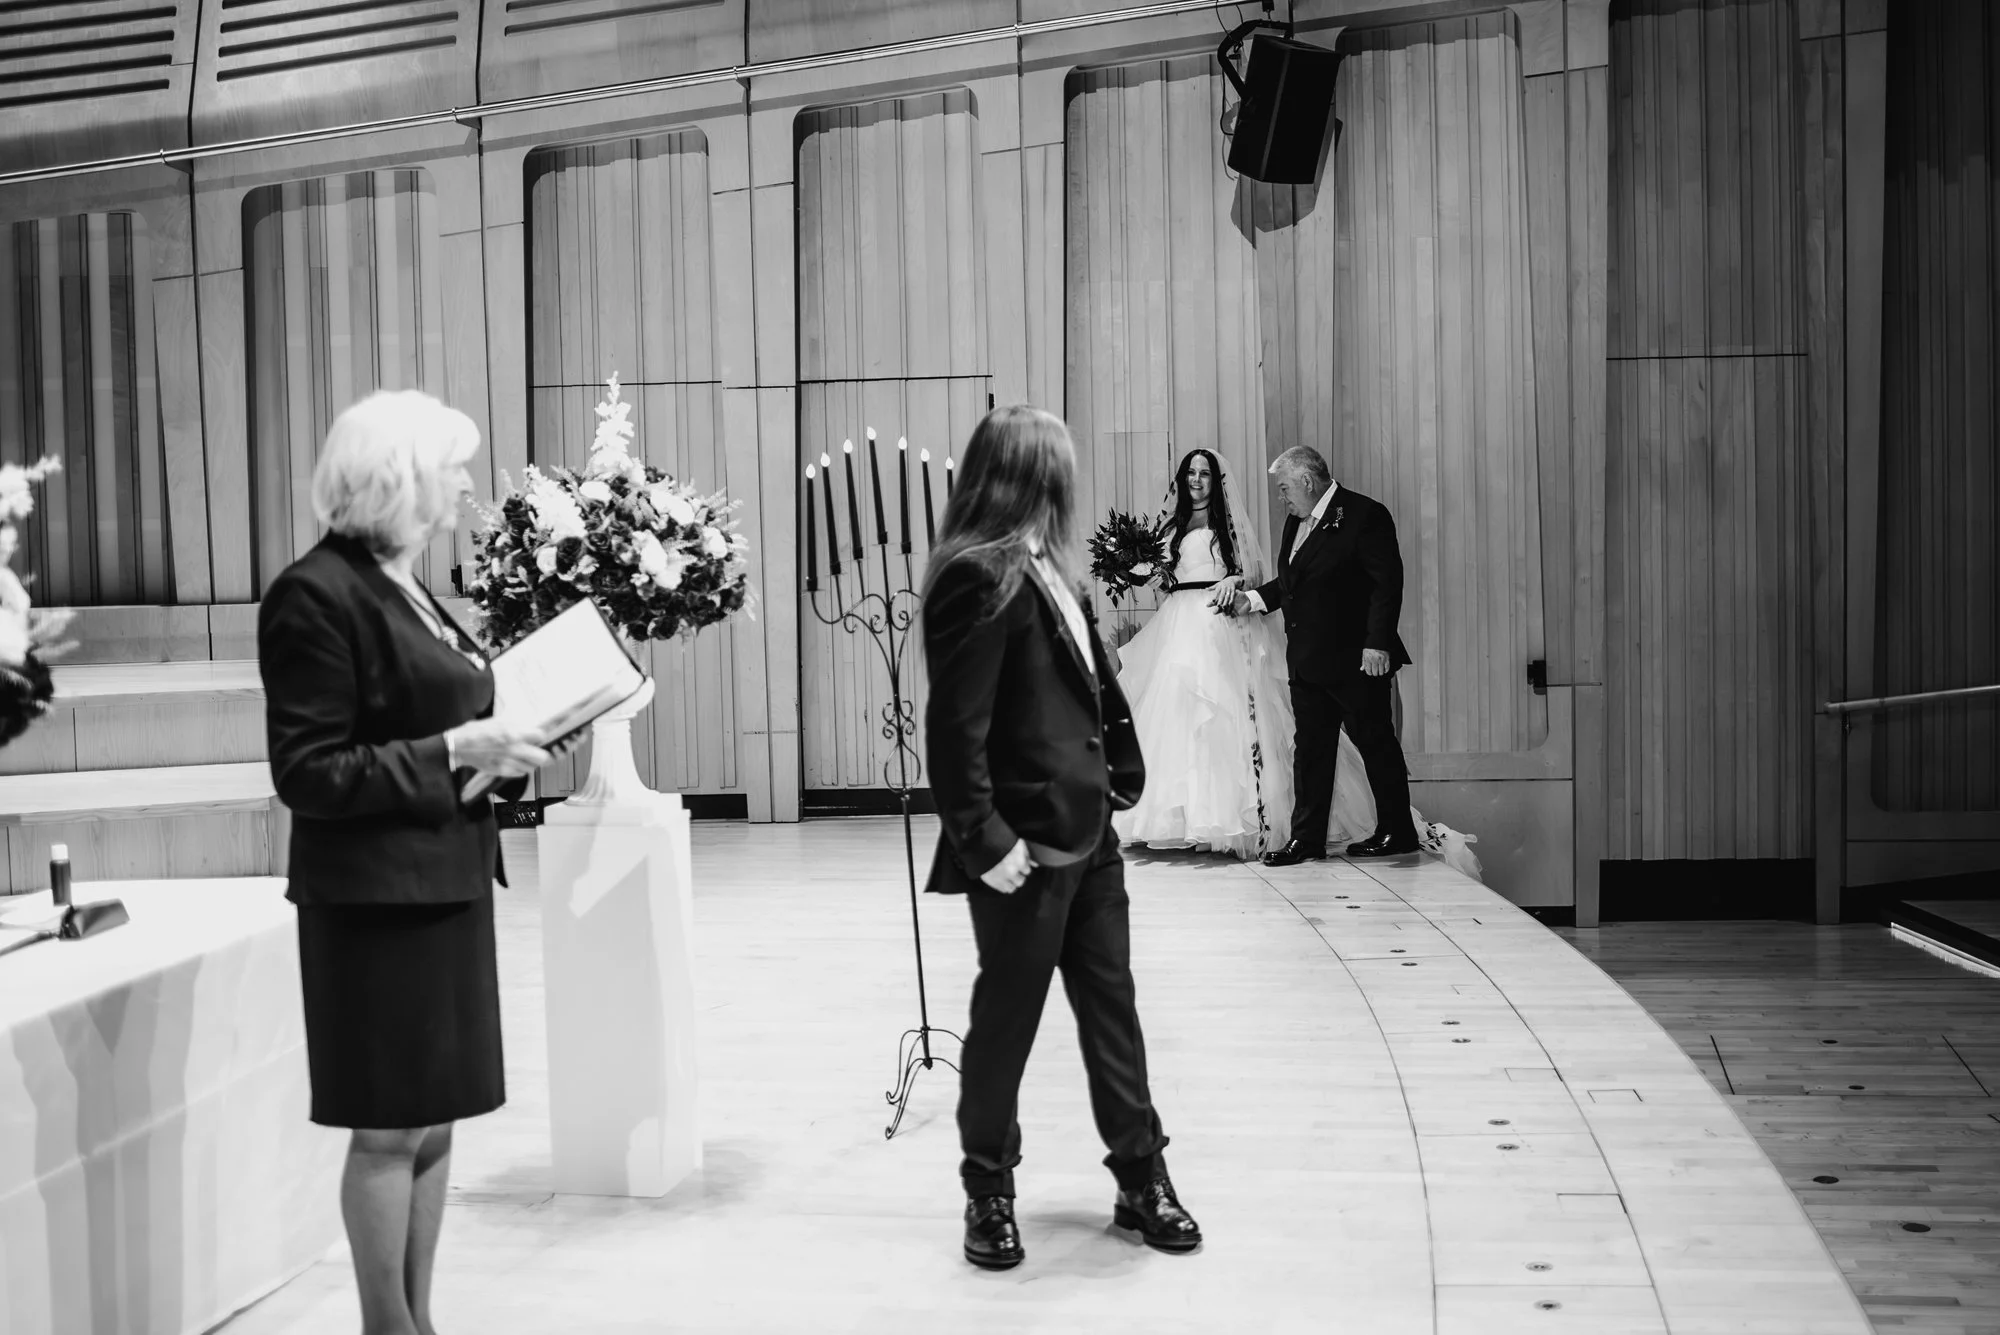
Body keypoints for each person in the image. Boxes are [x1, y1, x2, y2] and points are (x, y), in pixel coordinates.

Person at [259, 390, 554, 1335]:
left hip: (447, 882)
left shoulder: (409, 583)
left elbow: (444, 717)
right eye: (452, 466)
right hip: (376, 903)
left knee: (433, 1118)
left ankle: (418, 1317)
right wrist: (458, 754)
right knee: (387, 1128)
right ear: (400, 476)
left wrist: (498, 754)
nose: (466, 482)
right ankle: (386, 1326)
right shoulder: (314, 594)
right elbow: (308, 772)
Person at [922, 404, 1202, 1271]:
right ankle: (988, 1191)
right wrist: (986, 839)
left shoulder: (1058, 569)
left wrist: (1120, 775)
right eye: (1062, 464)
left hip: (1092, 838)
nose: (1073, 479)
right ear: (1030, 474)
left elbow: (1090, 691)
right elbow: (954, 731)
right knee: (1006, 1023)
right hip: (1021, 851)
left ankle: (1141, 1175)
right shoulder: (976, 574)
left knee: (1113, 1012)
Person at [1229, 445, 1421, 866]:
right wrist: (1255, 599)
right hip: (1308, 659)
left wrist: (1378, 643)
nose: (1281, 498)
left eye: (1284, 489)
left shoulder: (1364, 515)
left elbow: (1386, 584)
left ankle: (1398, 830)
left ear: (1307, 481)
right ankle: (1306, 839)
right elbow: (1294, 580)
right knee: (1311, 751)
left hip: (1357, 659)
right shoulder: (1296, 521)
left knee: (1375, 742)